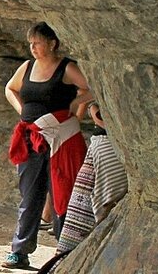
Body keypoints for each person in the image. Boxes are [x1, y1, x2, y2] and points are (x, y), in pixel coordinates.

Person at [3, 22, 93, 269]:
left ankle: (64, 250)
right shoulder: (28, 67)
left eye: (37, 43)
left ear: (52, 43)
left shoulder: (66, 67)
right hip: (31, 139)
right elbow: (10, 88)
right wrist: (22, 111)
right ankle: (20, 251)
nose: (33, 47)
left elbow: (90, 88)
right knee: (30, 194)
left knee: (62, 191)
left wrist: (77, 107)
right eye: (30, 43)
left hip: (60, 138)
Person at [55, 102, 128, 254]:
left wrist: (93, 110)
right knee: (85, 208)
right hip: (103, 146)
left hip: (108, 149)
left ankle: (77, 253)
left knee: (100, 208)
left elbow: (103, 119)